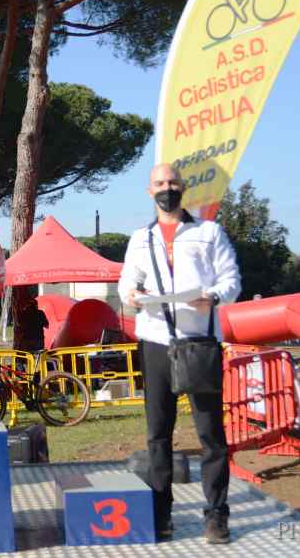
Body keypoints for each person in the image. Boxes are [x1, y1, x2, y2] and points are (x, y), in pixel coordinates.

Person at [119, 164, 240, 544]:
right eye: (159, 183)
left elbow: (231, 279)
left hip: (199, 341)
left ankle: (216, 515)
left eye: (172, 183)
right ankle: (161, 515)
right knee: (158, 434)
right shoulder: (140, 238)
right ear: (149, 191)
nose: (166, 188)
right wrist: (132, 296)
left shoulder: (209, 232)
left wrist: (214, 296)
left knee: (211, 434)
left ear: (183, 188)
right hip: (155, 341)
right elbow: (127, 283)